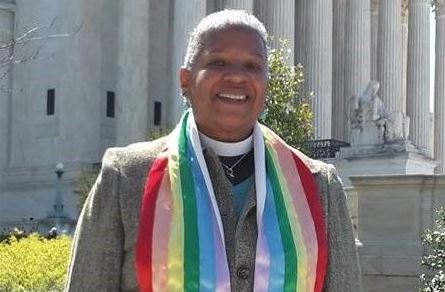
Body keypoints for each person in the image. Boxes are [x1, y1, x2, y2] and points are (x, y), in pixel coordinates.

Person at [65, 9, 361, 292]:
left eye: (252, 66)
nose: (236, 76)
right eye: (218, 62)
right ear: (185, 80)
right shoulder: (127, 177)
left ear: (265, 84)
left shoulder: (319, 186)